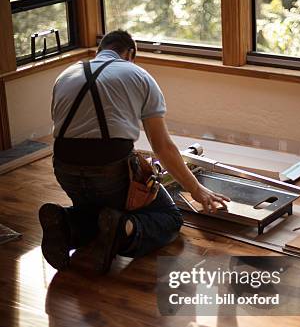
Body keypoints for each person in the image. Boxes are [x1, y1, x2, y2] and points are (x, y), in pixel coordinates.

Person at [39, 29, 229, 273]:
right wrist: (196, 189)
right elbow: (163, 147)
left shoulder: (66, 75)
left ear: (100, 51)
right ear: (129, 54)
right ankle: (125, 228)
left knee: (97, 211)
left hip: (64, 170)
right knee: (169, 218)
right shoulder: (138, 74)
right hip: (110, 174)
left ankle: (66, 222)